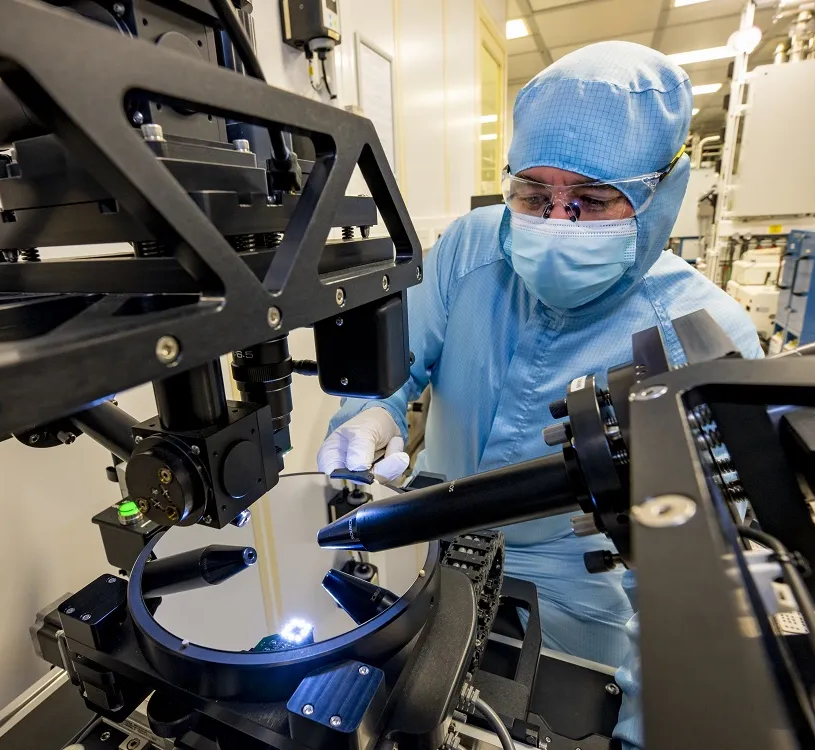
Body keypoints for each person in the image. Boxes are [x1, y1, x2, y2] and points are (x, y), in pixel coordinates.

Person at [317, 40, 763, 747]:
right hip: (426, 536)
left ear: (660, 194)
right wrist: (370, 417)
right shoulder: (471, 247)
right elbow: (396, 368)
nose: (557, 223)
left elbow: (693, 584)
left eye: (591, 199)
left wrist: (645, 731)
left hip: (575, 581)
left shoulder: (701, 334)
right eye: (533, 195)